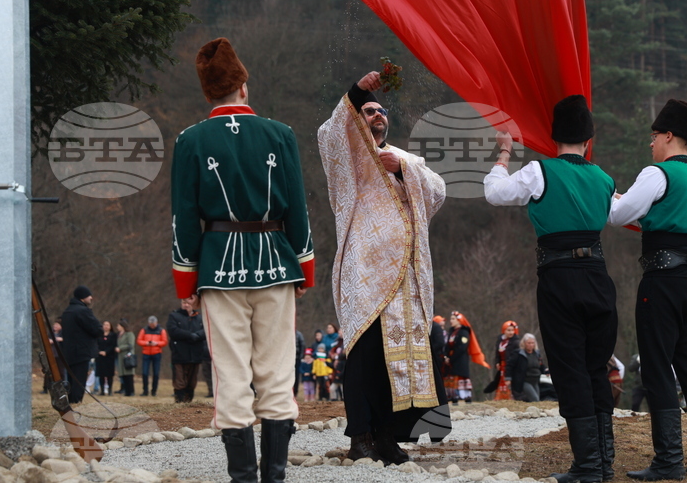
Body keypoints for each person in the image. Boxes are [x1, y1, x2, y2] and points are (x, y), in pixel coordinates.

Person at [170, 38, 317, 483]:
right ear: (244, 87)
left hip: (218, 269)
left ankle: (244, 480)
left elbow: (184, 219)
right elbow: (298, 209)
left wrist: (186, 286)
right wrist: (304, 270)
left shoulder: (190, 140)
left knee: (232, 378)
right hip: (276, 263)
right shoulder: (281, 134)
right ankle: (274, 478)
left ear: (208, 93)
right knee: (275, 374)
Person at [318, 69, 450, 464]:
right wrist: (358, 91)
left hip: (406, 281)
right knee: (365, 358)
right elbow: (329, 133)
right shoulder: (347, 162)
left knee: (402, 359)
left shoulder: (403, 160)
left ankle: (388, 437)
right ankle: (360, 436)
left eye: (381, 111)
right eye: (368, 111)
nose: (377, 115)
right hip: (365, 277)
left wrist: (404, 166)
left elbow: (438, 192)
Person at [485, 95, 618, 483]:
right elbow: (621, 212)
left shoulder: (540, 172)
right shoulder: (604, 178)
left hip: (559, 276)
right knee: (596, 366)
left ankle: (589, 465)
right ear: (589, 138)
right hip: (598, 274)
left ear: (553, 135)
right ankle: (604, 462)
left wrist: (505, 153)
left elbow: (495, 192)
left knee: (569, 367)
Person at [608, 99, 687, 481]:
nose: (651, 143)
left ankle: (669, 461)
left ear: (669, 136)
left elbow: (619, 215)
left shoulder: (657, 174)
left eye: (654, 136)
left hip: (664, 280)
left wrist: (609, 194)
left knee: (657, 367)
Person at [59, 285, 104, 405]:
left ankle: (71, 402)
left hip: (69, 351)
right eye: (89, 296)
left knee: (71, 380)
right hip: (82, 351)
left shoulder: (67, 311)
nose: (91, 298)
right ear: (83, 298)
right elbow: (97, 329)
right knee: (79, 380)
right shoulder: (82, 311)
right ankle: (76, 403)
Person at [167, 294, 207, 403]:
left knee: (192, 381)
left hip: (195, 354)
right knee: (180, 380)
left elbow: (206, 330)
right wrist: (190, 335)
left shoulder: (199, 317)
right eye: (184, 303)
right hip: (179, 353)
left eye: (188, 303)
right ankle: (179, 402)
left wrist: (197, 335)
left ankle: (188, 402)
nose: (186, 305)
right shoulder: (174, 316)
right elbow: (173, 330)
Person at [444, 311, 487, 406]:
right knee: (451, 379)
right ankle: (454, 399)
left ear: (459, 320)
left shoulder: (464, 332)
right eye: (451, 319)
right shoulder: (451, 331)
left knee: (460, 379)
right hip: (451, 360)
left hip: (460, 360)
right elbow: (447, 345)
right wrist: (446, 356)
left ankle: (467, 399)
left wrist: (451, 358)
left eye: (453, 319)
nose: (451, 321)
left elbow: (462, 347)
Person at [486, 321, 520, 401]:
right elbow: (497, 353)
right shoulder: (500, 341)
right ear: (504, 330)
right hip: (502, 366)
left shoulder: (516, 342)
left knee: (509, 383)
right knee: (501, 382)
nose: (511, 332)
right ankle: (500, 398)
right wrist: (497, 362)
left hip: (510, 366)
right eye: (508, 330)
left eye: (512, 330)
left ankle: (510, 398)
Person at [508, 334, 546, 402]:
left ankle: (533, 411)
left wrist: (546, 370)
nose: (531, 345)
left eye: (532, 343)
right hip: (525, 380)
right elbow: (510, 365)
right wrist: (508, 378)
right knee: (535, 399)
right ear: (524, 343)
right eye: (529, 343)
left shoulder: (537, 354)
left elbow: (541, 365)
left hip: (535, 380)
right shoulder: (518, 354)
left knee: (537, 399)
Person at [137, 316, 168, 397]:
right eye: (151, 323)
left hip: (156, 353)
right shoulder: (144, 330)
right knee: (144, 373)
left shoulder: (161, 330)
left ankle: (154, 391)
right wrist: (146, 343)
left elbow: (164, 342)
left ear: (156, 323)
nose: (152, 325)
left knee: (156, 373)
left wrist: (156, 343)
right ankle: (145, 390)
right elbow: (139, 340)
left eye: (153, 323)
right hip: (146, 353)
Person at [96, 321, 118, 396]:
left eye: (107, 325)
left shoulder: (113, 335)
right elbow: (96, 344)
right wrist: (99, 351)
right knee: (101, 374)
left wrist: (106, 352)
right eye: (104, 325)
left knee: (109, 374)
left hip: (109, 357)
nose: (106, 326)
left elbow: (113, 345)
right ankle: (102, 391)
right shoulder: (99, 335)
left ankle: (109, 390)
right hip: (100, 357)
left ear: (110, 326)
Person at [116, 319, 137, 397]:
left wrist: (121, 348)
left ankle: (131, 391)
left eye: (118, 326)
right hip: (121, 356)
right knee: (123, 374)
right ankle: (126, 391)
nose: (117, 327)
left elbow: (130, 345)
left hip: (128, 356)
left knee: (129, 374)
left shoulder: (129, 334)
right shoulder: (119, 334)